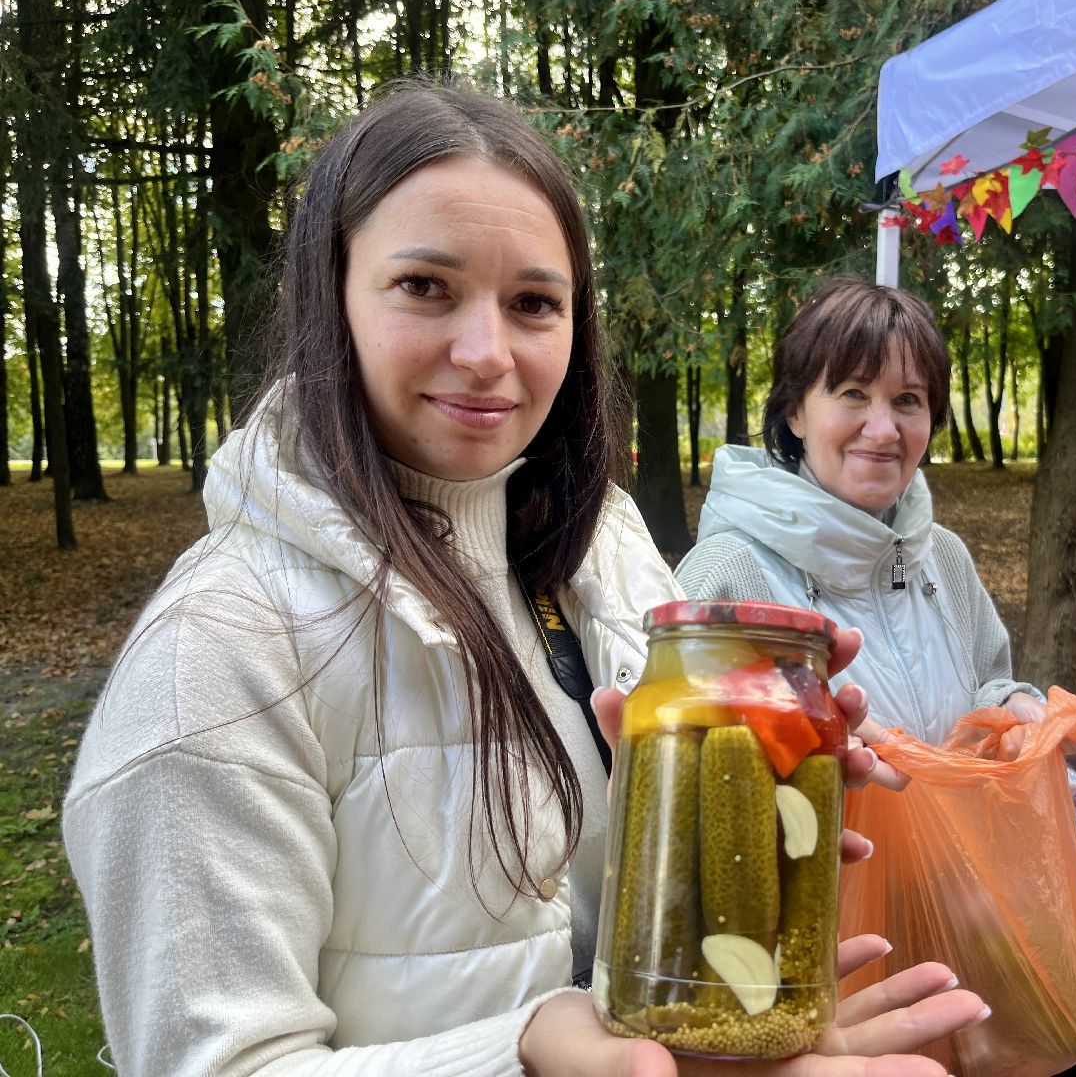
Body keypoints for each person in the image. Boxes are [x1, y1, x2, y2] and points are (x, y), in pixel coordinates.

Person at [61, 84, 986, 1076]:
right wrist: (526, 1054)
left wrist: (748, 820)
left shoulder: (608, 553)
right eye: (425, 285)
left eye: (535, 303)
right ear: (332, 297)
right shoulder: (216, 650)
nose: (486, 353)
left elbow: (642, 922)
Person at [676, 279, 1045, 747]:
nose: (884, 429)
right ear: (795, 413)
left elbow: (985, 683)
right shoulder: (725, 576)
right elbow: (674, 756)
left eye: (907, 400)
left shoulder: (944, 556)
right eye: (853, 393)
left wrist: (1007, 705)